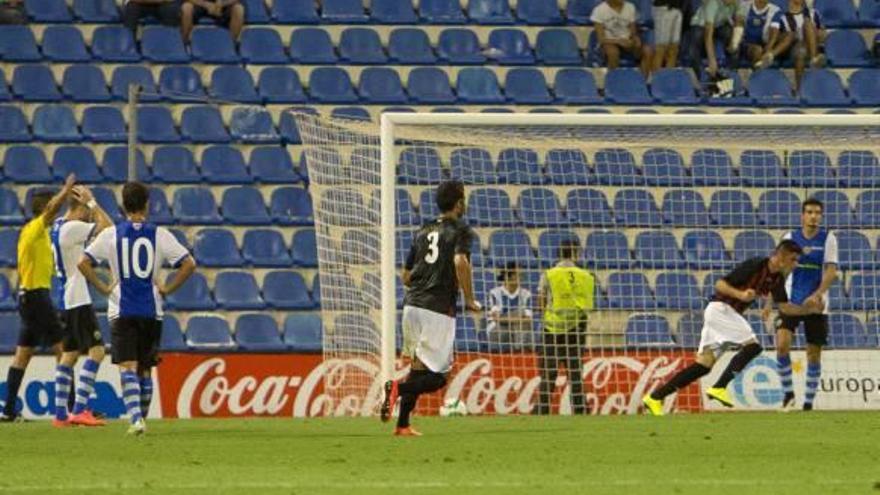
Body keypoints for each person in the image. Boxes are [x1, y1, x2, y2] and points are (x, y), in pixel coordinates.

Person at [643, 240, 823, 416]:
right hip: (721, 309)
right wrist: (741, 295)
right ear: (781, 257)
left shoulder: (776, 279)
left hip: (725, 315)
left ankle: (655, 397)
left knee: (704, 365)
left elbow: (784, 307)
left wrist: (808, 310)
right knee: (753, 346)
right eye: (793, 259)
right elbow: (720, 284)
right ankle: (720, 387)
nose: (796, 264)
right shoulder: (756, 264)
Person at [78, 182, 195, 435]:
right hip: (152, 309)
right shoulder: (160, 234)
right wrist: (167, 288)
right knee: (145, 368)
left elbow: (83, 262)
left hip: (122, 307)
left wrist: (103, 286)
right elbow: (189, 264)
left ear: (123, 206)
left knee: (127, 367)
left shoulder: (111, 234)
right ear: (147, 205)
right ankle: (142, 418)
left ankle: (135, 421)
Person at [380, 180, 480, 437]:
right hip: (437, 308)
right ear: (459, 203)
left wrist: (426, 279)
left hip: (412, 306)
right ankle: (396, 391)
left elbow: (405, 276)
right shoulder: (461, 230)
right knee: (438, 377)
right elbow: (460, 262)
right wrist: (469, 299)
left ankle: (402, 425)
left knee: (418, 368)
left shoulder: (422, 230)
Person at [1, 175, 77, 422]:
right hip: (35, 297)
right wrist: (65, 191)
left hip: (30, 299)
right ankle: (73, 408)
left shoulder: (41, 232)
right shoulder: (34, 228)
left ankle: (9, 410)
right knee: (63, 349)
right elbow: (52, 211)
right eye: (52, 209)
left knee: (23, 354)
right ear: (46, 209)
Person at [51, 186, 114, 428]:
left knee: (69, 356)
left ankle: (59, 414)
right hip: (77, 299)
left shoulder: (58, 225)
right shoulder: (72, 228)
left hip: (66, 298)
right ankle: (79, 410)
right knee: (97, 351)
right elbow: (108, 229)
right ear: (78, 208)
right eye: (85, 211)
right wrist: (92, 203)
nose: (89, 215)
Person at [776, 198, 837, 411]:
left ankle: (808, 403)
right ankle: (788, 394)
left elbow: (831, 270)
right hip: (791, 302)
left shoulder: (828, 238)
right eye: (809, 212)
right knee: (782, 345)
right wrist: (770, 300)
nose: (813, 216)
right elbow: (779, 269)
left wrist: (818, 294)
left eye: (817, 213)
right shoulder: (790, 238)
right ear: (802, 215)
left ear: (821, 215)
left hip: (816, 305)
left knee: (813, 353)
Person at [535, 239, 594, 416]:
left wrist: (546, 316)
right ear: (575, 253)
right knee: (575, 372)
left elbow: (541, 300)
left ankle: (542, 411)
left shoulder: (549, 274)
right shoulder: (586, 275)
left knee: (549, 372)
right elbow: (588, 304)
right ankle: (580, 411)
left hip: (551, 329)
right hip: (576, 329)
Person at [591, 0, 653, 76]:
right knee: (613, 52)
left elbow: (633, 31)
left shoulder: (630, 7)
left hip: (627, 39)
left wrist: (635, 39)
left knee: (648, 51)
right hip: (610, 41)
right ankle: (613, 79)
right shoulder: (599, 10)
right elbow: (601, 39)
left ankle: (642, 81)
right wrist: (619, 41)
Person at [775, 0, 825, 89]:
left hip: (812, 45)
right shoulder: (783, 18)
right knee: (800, 51)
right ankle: (800, 90)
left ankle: (814, 58)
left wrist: (819, 35)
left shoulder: (813, 13)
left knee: (808, 24)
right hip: (795, 48)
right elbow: (782, 39)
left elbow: (822, 34)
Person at [686, 0, 738, 80]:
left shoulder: (735, 3)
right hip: (700, 25)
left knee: (731, 34)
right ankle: (697, 73)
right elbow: (708, 35)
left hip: (718, 25)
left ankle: (732, 72)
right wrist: (712, 60)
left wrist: (734, 42)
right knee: (697, 36)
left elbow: (739, 22)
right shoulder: (713, 4)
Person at [486, 262, 533, 351]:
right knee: (519, 315)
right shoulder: (494, 293)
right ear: (508, 276)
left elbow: (528, 319)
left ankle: (520, 352)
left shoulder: (526, 294)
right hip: (498, 329)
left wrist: (508, 318)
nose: (522, 277)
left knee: (526, 327)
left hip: (518, 329)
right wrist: (518, 317)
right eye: (518, 275)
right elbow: (497, 318)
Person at [732, 0, 784, 69]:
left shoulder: (775, 10)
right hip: (744, 43)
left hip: (763, 44)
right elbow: (738, 23)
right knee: (756, 50)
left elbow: (774, 31)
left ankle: (763, 61)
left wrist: (768, 48)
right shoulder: (744, 6)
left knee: (788, 34)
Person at [652, 0, 686, 70]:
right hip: (663, 8)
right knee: (661, 47)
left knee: (674, 48)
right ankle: (655, 78)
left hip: (678, 8)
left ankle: (668, 77)